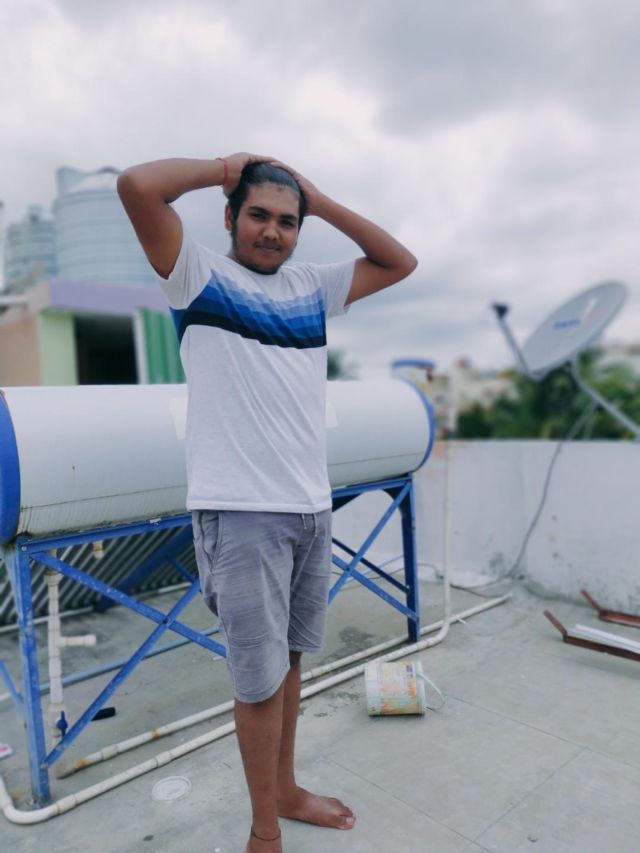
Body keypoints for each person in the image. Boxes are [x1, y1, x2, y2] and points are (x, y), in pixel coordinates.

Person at [117, 153, 417, 852]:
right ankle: (264, 833)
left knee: (290, 662)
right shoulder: (196, 274)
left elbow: (399, 262)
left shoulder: (313, 286)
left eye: (287, 221)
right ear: (230, 215)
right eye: (258, 215)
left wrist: (320, 200)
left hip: (310, 506)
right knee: (256, 682)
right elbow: (137, 187)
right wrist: (226, 166)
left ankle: (284, 788)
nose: (273, 232)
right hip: (241, 511)